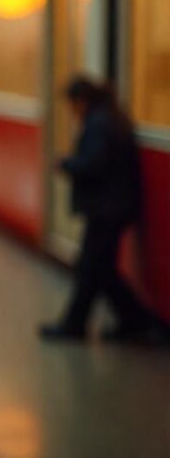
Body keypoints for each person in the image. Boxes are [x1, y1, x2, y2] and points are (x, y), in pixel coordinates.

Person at [39, 76, 154, 343]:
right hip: (113, 206)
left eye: (73, 105)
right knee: (100, 269)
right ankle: (133, 321)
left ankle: (76, 325)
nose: (73, 112)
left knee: (91, 268)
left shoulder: (99, 124)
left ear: (82, 101)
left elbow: (94, 164)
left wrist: (67, 164)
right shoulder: (109, 118)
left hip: (107, 208)